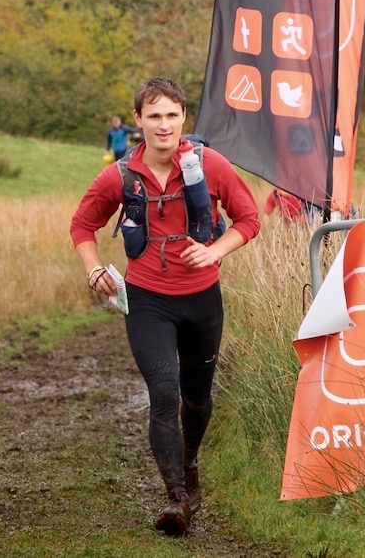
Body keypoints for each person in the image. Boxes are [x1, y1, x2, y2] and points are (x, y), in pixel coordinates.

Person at [70, 77, 260, 536]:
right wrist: (93, 268)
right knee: (165, 392)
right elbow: (82, 226)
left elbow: (249, 219)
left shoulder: (209, 164)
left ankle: (189, 461)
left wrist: (214, 251)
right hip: (148, 300)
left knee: (197, 399)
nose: (163, 125)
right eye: (153, 116)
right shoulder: (117, 175)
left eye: (172, 115)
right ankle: (177, 498)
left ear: (183, 118)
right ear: (138, 121)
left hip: (202, 300)